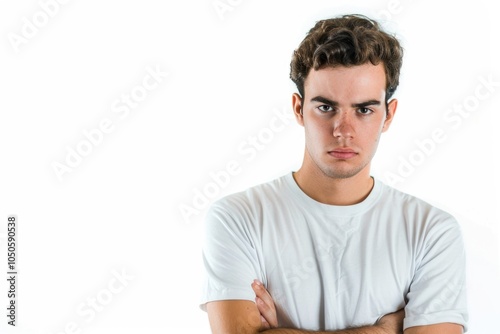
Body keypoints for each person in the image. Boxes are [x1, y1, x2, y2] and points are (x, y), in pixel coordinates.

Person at [199, 14, 468, 334]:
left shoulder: (431, 231)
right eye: (326, 107)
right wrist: (383, 330)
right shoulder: (238, 217)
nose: (344, 130)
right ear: (299, 109)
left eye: (364, 109)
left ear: (388, 115)